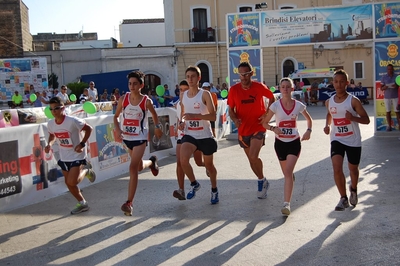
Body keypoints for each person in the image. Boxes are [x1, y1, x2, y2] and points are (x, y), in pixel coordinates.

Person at [113, 71, 163, 216]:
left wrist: (158, 128)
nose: (132, 86)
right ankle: (151, 162)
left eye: (135, 84)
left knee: (133, 167)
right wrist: (117, 129)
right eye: (130, 84)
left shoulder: (146, 101)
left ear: (141, 85)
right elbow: (115, 117)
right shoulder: (123, 99)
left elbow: (154, 115)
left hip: (140, 138)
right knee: (139, 166)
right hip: (127, 138)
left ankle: (129, 203)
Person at [262, 78, 313, 216]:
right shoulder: (275, 106)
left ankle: (286, 204)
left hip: (294, 142)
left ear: (292, 89)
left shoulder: (298, 105)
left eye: (287, 87)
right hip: (280, 144)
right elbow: (264, 123)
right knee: (287, 174)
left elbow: (309, 119)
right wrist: (274, 129)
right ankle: (290, 178)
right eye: (282, 87)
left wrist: (308, 131)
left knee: (288, 172)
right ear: (280, 88)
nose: (285, 89)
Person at [227, 61, 275, 200]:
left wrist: (266, 114)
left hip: (258, 128)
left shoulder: (259, 87)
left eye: (246, 74)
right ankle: (262, 179)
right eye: (241, 74)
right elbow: (231, 109)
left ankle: (261, 182)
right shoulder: (234, 90)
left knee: (254, 156)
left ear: (251, 74)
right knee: (251, 161)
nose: (243, 77)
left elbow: (272, 97)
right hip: (243, 130)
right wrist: (235, 119)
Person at [323, 69, 370, 211]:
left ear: (347, 83)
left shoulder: (353, 101)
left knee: (353, 169)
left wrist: (353, 118)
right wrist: (327, 125)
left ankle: (353, 189)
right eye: (336, 81)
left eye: (342, 81)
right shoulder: (329, 101)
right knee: (336, 167)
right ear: (333, 83)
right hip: (337, 138)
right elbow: (329, 114)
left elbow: (367, 120)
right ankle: (343, 198)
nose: (338, 84)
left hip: (353, 140)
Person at [44, 97, 96, 214]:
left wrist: (82, 144)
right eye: (51, 109)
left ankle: (86, 171)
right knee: (69, 183)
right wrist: (49, 144)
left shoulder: (72, 121)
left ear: (63, 108)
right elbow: (52, 136)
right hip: (64, 156)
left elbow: (89, 129)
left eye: (56, 108)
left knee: (72, 182)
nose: (54, 111)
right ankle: (83, 203)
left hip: (77, 155)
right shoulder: (51, 123)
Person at [178, 65, 219, 204]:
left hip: (205, 135)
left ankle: (214, 190)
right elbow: (183, 115)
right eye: (188, 76)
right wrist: (182, 122)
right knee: (183, 160)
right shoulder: (183, 95)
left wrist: (194, 116)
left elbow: (213, 116)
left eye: (193, 76)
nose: (190, 79)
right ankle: (194, 184)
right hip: (190, 135)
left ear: (199, 78)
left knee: (210, 167)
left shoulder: (204, 94)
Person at [173, 80, 206, 200]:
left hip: (196, 134)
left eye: (185, 89)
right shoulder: (178, 104)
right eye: (180, 90)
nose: (182, 92)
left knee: (198, 162)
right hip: (183, 135)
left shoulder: (196, 100)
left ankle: (207, 165)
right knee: (179, 161)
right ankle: (181, 190)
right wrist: (179, 126)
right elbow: (179, 118)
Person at [380, 64, 400, 131]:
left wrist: (396, 86)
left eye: (391, 69)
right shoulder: (384, 77)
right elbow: (381, 88)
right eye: (388, 69)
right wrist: (384, 87)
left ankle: (399, 125)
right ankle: (389, 126)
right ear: (387, 70)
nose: (390, 70)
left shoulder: (397, 76)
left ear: (393, 69)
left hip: (395, 96)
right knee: (388, 111)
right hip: (387, 97)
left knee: (397, 111)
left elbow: (399, 85)